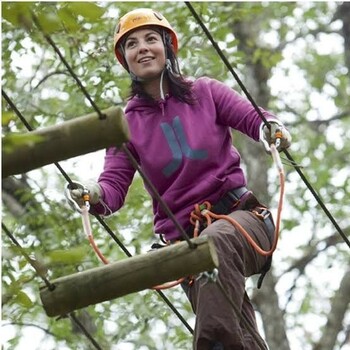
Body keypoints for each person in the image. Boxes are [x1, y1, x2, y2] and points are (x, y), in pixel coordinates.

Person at [69, 8, 291, 350]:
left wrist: (270, 127)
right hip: (186, 247)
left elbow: (252, 118)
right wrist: (92, 193)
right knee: (241, 336)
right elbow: (112, 186)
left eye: (151, 39)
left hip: (240, 221)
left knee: (215, 248)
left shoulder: (205, 91)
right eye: (131, 43)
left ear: (167, 47)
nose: (142, 47)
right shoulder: (125, 125)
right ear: (124, 59)